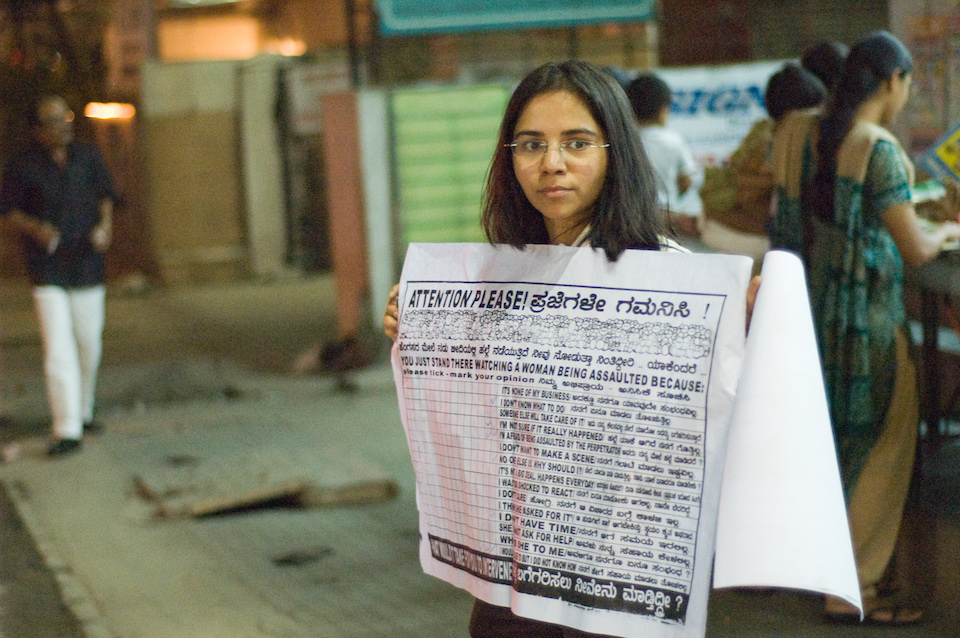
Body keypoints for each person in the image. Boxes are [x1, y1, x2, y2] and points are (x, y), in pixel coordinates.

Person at [385, 60, 760, 637]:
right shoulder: (494, 278)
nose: (551, 164)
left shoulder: (669, 279)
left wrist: (746, 337)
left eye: (576, 143)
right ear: (509, 158)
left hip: (619, 578)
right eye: (530, 144)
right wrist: (425, 335)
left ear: (615, 153)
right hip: (513, 578)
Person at [771, 31, 960, 625]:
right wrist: (951, 233)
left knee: (833, 447)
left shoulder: (802, 132)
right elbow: (915, 250)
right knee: (882, 450)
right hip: (869, 325)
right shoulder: (877, 150)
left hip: (812, 314)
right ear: (891, 82)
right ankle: (854, 587)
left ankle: (827, 574)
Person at [0, 94, 116, 457]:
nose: (62, 125)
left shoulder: (88, 156)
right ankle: (66, 429)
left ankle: (83, 410)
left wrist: (105, 228)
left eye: (64, 117)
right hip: (47, 268)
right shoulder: (23, 166)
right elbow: (7, 211)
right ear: (37, 130)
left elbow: (106, 196)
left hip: (87, 263)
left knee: (88, 342)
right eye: (51, 121)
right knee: (58, 350)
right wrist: (35, 228)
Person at [700, 63, 828, 273]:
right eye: (813, 112)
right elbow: (745, 192)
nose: (816, 119)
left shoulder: (773, 138)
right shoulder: (774, 146)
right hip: (759, 242)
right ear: (794, 113)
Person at [625, 72, 701, 236]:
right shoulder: (673, 141)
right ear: (663, 110)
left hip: (631, 215)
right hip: (668, 217)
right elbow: (686, 181)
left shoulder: (624, 142)